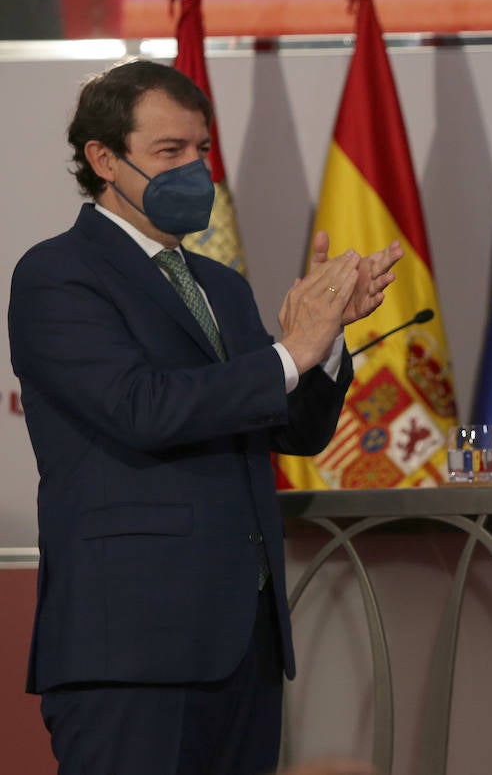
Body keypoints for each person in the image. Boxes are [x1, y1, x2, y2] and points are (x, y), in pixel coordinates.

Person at [8, 59, 404, 774]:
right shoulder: (57, 275)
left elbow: (293, 429)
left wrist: (331, 337)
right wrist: (292, 352)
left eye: (201, 150)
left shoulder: (218, 284)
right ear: (103, 157)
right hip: (132, 647)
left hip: (242, 643)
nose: (194, 170)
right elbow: (142, 409)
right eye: (169, 153)